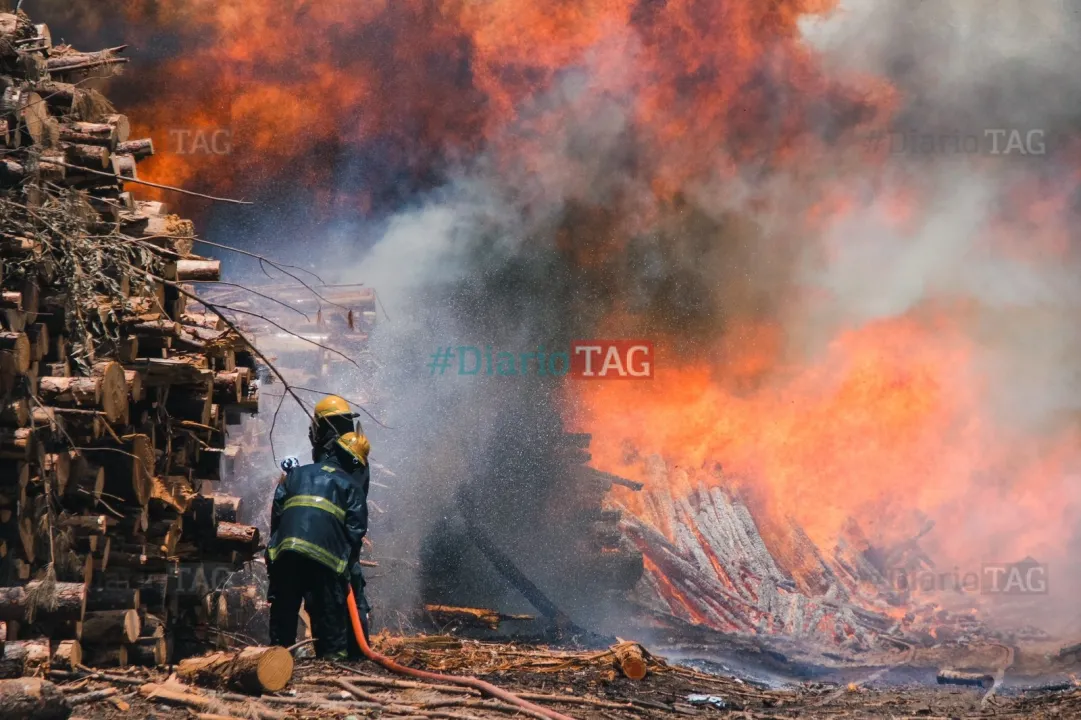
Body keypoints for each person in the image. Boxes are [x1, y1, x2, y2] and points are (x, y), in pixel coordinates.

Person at [267, 395, 372, 659]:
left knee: (284, 610)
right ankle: (334, 664)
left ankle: (277, 660)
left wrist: (273, 554)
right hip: (326, 557)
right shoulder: (351, 478)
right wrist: (346, 565)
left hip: (286, 552)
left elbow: (277, 516)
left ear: (319, 428)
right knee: (330, 614)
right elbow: (355, 529)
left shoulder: (297, 474)